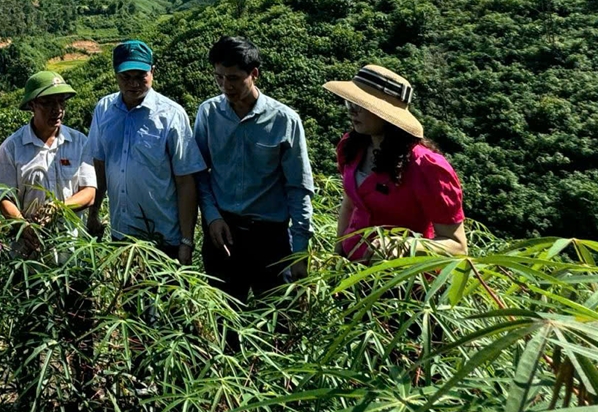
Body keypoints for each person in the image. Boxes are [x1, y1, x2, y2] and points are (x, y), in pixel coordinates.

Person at [194, 36, 315, 300]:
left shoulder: (284, 120)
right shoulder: (208, 113)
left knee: (276, 322)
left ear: (254, 74)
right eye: (219, 77)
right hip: (222, 233)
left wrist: (300, 251)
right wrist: (212, 217)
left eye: (234, 78)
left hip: (270, 237)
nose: (226, 86)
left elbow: (298, 187)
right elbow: (200, 175)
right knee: (224, 322)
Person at [324, 64, 467, 261]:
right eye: (350, 103)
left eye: (361, 106)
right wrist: (337, 254)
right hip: (352, 272)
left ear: (385, 113)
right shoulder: (351, 147)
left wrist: (404, 246)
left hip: (400, 281)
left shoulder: (427, 167)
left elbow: (457, 246)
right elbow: (349, 204)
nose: (352, 111)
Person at [86, 40, 205, 262]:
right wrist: (94, 214)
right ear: (115, 75)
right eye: (125, 77)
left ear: (152, 71)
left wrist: (186, 241)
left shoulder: (171, 115)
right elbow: (99, 166)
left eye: (140, 76)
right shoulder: (104, 109)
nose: (133, 84)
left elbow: (185, 181)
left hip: (163, 239)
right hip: (121, 236)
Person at [0, 70, 97, 260]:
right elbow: (4, 199)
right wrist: (24, 226)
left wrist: (58, 207)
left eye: (61, 102)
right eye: (47, 103)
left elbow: (89, 193)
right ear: (32, 105)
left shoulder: (79, 142)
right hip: (30, 252)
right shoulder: (12, 147)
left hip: (73, 248)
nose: (57, 109)